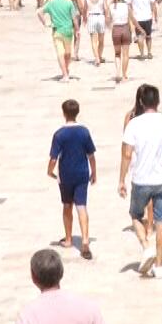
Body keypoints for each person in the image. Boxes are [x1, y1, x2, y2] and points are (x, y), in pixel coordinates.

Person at [116, 84, 162, 279]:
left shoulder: (134, 123)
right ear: (158, 101)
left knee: (135, 215)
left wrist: (121, 179)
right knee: (161, 221)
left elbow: (127, 154)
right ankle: (159, 265)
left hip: (141, 179)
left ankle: (146, 246)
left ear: (142, 102)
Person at [47, 100, 98, 259]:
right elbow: (91, 155)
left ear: (64, 113)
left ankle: (68, 239)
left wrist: (50, 171)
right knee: (81, 206)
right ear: (78, 112)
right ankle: (84, 240)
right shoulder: (84, 132)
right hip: (82, 173)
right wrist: (94, 172)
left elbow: (54, 158)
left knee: (67, 205)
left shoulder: (59, 134)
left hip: (66, 174)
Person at [40, 0, 77, 81]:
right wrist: (77, 29)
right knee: (68, 53)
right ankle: (66, 69)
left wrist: (45, 23)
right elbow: (74, 18)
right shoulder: (69, 2)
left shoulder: (51, 3)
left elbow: (39, 12)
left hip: (57, 30)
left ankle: (65, 74)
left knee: (60, 53)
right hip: (68, 30)